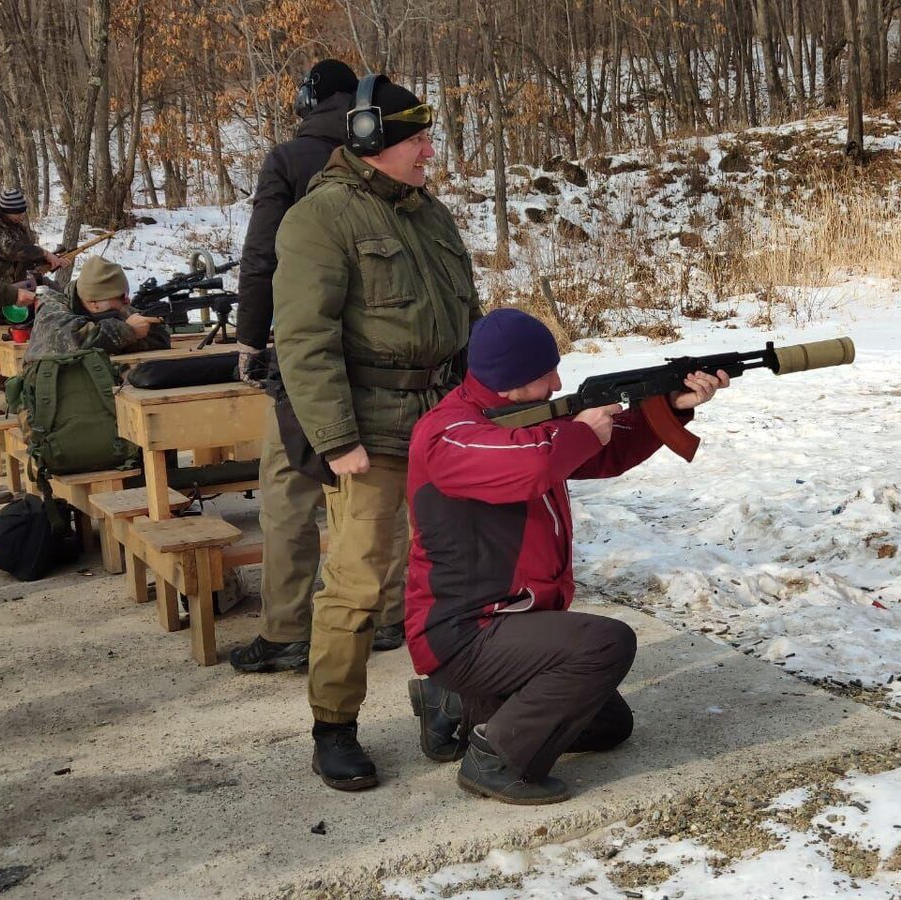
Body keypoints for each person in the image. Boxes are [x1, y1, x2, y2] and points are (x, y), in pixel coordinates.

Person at [403, 309, 727, 804]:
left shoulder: (524, 422)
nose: (558, 382)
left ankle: (457, 703)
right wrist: (577, 432)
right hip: (464, 629)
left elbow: (603, 453)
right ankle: (495, 760)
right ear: (508, 381)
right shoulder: (448, 434)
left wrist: (671, 407)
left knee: (610, 726)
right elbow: (534, 465)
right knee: (604, 644)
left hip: (512, 622)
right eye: (544, 375)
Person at [273, 73, 480, 790]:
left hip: (446, 427)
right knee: (358, 587)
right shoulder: (317, 220)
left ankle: (445, 696)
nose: (429, 148)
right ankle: (334, 727)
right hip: (372, 436)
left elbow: (467, 322)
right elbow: (304, 341)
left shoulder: (430, 214)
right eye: (416, 137)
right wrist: (336, 439)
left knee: (452, 577)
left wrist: (486, 403)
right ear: (371, 143)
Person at [229, 59, 407, 673]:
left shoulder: (289, 159)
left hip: (309, 354)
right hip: (386, 358)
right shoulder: (392, 152)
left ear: (311, 100)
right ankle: (387, 615)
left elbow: (260, 259)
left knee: (287, 490)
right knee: (381, 487)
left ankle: (286, 629)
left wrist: (250, 341)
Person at [24, 255, 170, 361]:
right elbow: (72, 339)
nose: (127, 300)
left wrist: (135, 331)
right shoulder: (52, 308)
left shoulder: (115, 308)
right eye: (121, 297)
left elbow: (160, 337)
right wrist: (128, 332)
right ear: (95, 303)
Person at [0, 189, 67, 285]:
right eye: (17, 213)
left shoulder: (16, 227)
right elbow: (9, 249)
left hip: (17, 283)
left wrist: (48, 261)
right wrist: (44, 253)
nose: (21, 217)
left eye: (22, 213)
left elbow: (26, 253)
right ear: (7, 211)